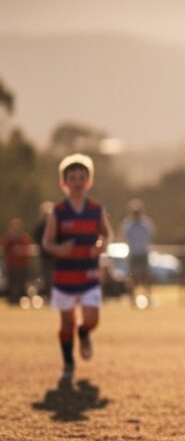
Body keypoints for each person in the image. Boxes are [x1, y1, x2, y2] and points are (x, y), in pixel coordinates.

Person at [41, 154, 111, 381]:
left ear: (89, 181)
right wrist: (59, 249)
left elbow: (107, 234)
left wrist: (101, 245)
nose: (78, 182)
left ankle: (84, 332)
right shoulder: (58, 211)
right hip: (65, 276)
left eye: (82, 178)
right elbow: (47, 242)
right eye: (73, 178)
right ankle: (68, 363)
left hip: (89, 273)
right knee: (65, 323)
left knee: (92, 319)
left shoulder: (96, 209)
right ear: (64, 182)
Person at [119, 199, 155, 308]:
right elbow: (124, 237)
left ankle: (148, 298)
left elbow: (150, 236)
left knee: (146, 278)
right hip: (133, 255)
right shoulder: (128, 225)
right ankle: (132, 299)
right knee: (132, 279)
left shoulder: (146, 224)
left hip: (143, 254)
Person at [2, 218, 32, 306]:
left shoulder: (24, 237)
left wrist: (20, 250)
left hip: (22, 264)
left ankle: (19, 300)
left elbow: (27, 247)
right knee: (11, 283)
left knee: (21, 283)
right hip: (11, 264)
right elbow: (5, 247)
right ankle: (12, 300)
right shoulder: (8, 238)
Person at [31, 202, 55, 298]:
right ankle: (49, 295)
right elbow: (36, 237)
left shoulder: (56, 225)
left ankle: (56, 295)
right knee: (47, 276)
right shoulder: (40, 226)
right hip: (45, 256)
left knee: (56, 276)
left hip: (56, 255)